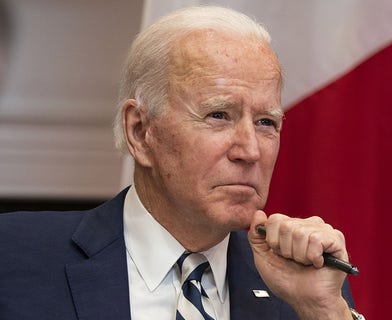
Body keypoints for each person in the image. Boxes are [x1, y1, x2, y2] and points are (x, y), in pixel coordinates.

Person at [0, 6, 363, 320]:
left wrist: (324, 311)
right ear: (141, 131)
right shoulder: (14, 256)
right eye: (219, 115)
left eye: (266, 122)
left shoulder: (304, 287)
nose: (250, 151)